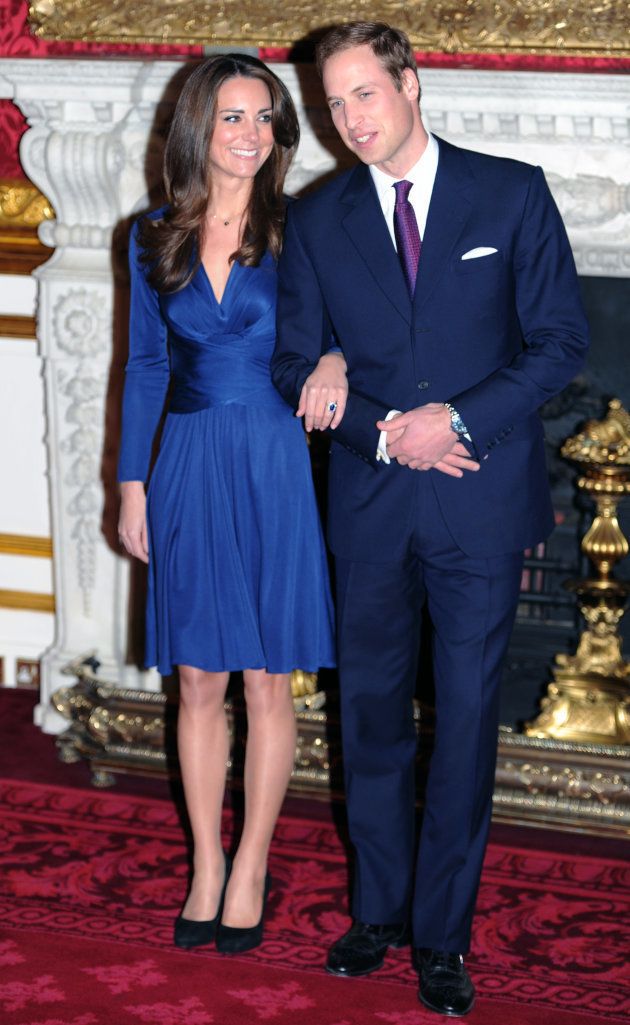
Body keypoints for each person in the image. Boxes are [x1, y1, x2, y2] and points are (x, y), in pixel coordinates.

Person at [271, 21, 589, 1016]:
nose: (350, 120)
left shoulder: (512, 192)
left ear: (413, 83)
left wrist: (455, 421)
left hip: (479, 501)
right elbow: (295, 361)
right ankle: (379, 911)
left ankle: (442, 937)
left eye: (366, 94)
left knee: (462, 730)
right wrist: (379, 432)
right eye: (334, 104)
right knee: (367, 718)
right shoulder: (316, 221)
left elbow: (559, 343)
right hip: (368, 505)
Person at [117, 54, 340, 956]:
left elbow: (350, 332)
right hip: (188, 465)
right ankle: (206, 862)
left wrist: (335, 363)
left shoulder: (304, 227)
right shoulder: (150, 235)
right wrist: (132, 483)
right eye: (233, 117)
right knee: (200, 679)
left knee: (265, 677)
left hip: (277, 461)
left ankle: (253, 864)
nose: (251, 136)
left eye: (265, 119)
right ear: (198, 127)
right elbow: (142, 366)